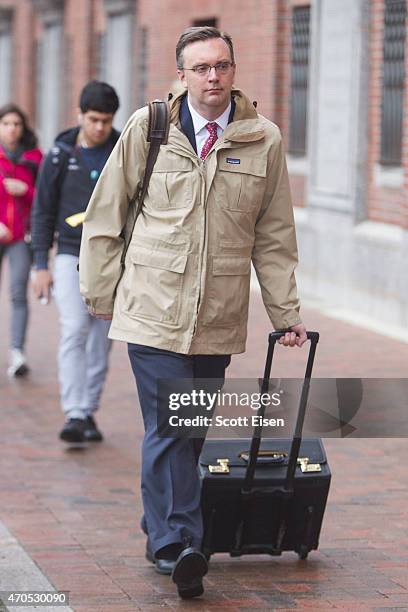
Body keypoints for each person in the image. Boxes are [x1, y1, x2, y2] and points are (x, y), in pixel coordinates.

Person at [79, 27, 307, 599]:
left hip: (218, 316)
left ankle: (161, 522)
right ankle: (178, 544)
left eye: (222, 66)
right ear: (181, 75)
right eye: (201, 67)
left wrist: (286, 314)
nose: (213, 77)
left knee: (192, 429)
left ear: (233, 71)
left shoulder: (263, 140)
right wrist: (100, 294)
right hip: (152, 309)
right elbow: (107, 213)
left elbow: (273, 238)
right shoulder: (150, 128)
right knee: (171, 426)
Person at [31, 81, 120, 444]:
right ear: (79, 115)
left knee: (101, 337)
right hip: (69, 252)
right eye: (94, 119)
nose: (100, 127)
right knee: (74, 328)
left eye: (107, 120)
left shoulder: (121, 150)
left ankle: (89, 409)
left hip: (111, 257)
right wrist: (41, 264)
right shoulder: (59, 154)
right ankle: (75, 412)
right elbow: (43, 211)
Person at [0, 104, 43, 377]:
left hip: (20, 237)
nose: (11, 128)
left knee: (18, 293)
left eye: (16, 123)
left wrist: (26, 189)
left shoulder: (35, 158)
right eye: (6, 123)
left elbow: (46, 198)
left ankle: (17, 352)